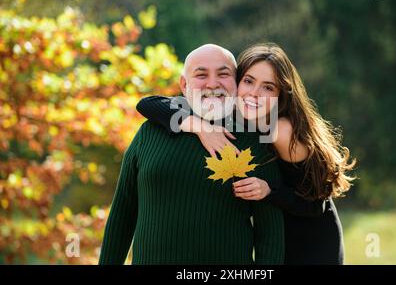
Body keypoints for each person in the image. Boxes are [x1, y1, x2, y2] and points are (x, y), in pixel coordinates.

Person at [136, 43, 356, 265]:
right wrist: (199, 126)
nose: (254, 93)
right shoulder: (235, 115)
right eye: (249, 81)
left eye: (268, 87)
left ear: (281, 94)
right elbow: (148, 104)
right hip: (272, 236)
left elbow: (314, 205)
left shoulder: (281, 131)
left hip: (309, 243)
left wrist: (269, 191)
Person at [99, 44, 285, 265]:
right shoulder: (150, 132)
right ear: (184, 85)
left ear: (236, 83)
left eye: (224, 74)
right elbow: (122, 215)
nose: (213, 83)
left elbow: (270, 237)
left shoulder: (255, 140)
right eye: (201, 74)